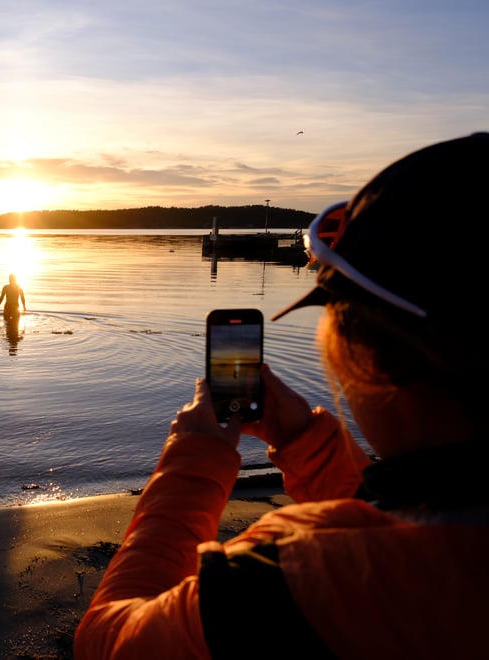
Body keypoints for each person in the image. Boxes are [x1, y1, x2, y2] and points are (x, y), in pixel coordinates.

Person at [74, 133, 489, 658]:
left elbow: (109, 642)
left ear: (374, 355)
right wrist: (305, 442)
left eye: (328, 311)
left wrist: (194, 458)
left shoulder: (292, 581)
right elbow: (417, 527)